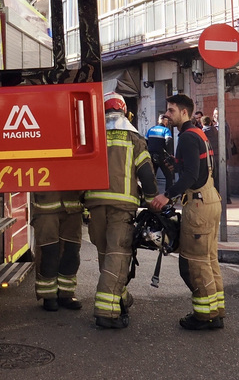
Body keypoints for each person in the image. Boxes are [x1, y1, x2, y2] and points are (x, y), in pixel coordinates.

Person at [151, 92, 225, 331]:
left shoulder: (187, 138)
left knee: (194, 263)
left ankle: (204, 317)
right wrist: (172, 161)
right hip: (211, 199)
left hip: (199, 204)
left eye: (171, 110)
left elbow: (192, 176)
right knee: (209, 260)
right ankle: (216, 311)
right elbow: (195, 168)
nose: (167, 115)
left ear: (184, 112)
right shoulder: (198, 134)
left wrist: (166, 194)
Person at [84, 94, 157, 330]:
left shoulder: (91, 136)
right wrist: (152, 201)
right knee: (117, 256)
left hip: (95, 205)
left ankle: (122, 297)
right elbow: (146, 173)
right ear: (125, 112)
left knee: (107, 256)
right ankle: (106, 311)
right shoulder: (134, 138)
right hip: (121, 208)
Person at [31, 191, 84, 312]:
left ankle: (66, 294)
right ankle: (48, 296)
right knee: (48, 251)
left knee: (71, 251)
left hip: (72, 208)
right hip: (46, 208)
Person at [145, 115, 175, 193]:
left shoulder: (151, 129)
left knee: (152, 176)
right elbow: (168, 142)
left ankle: (150, 194)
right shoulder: (166, 130)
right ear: (166, 122)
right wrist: (169, 154)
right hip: (162, 156)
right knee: (169, 176)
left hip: (151, 156)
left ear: (158, 121)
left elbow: (145, 142)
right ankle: (168, 196)